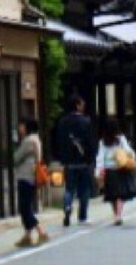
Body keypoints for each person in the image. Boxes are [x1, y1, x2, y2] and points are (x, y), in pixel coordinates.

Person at [52, 94, 95, 226]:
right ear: (77, 105)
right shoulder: (86, 121)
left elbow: (58, 141)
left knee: (69, 188)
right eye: (82, 104)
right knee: (84, 190)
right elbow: (90, 142)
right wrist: (91, 158)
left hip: (69, 162)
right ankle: (82, 217)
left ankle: (67, 206)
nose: (83, 106)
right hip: (83, 161)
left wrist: (61, 157)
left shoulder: (62, 122)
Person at [12, 117, 49, 248]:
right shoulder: (36, 139)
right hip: (31, 176)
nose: (19, 128)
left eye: (21, 126)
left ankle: (41, 232)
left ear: (27, 127)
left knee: (24, 207)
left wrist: (15, 147)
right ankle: (27, 236)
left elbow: (16, 158)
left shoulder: (29, 141)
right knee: (26, 206)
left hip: (26, 176)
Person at [95, 119, 136, 225]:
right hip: (120, 168)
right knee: (120, 194)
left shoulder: (102, 142)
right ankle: (118, 215)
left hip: (109, 172)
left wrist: (98, 171)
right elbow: (128, 151)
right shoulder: (121, 139)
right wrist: (132, 157)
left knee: (111, 195)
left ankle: (116, 215)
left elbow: (100, 158)